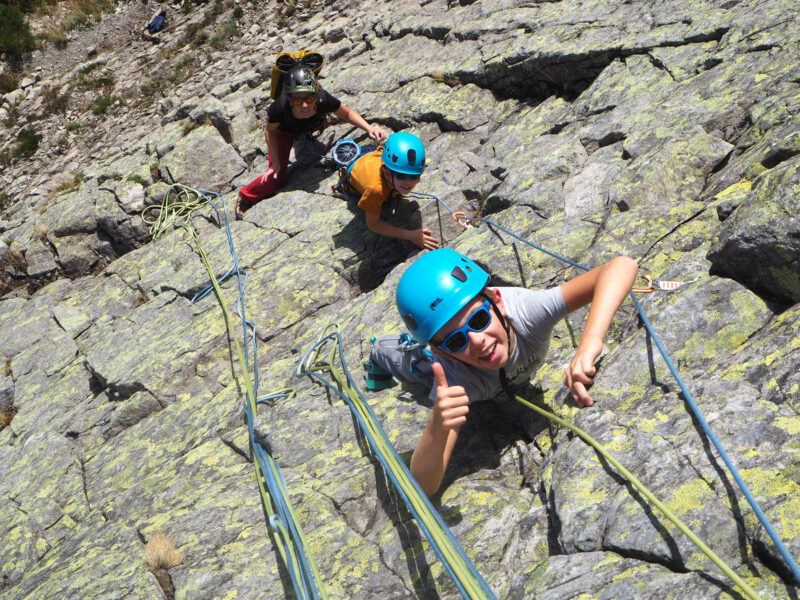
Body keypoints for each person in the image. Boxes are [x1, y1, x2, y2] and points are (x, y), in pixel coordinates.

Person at [369, 248, 638, 495]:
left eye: (478, 320)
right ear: (443, 351)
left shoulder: (527, 314)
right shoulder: (453, 376)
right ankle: (379, 351)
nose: (477, 340)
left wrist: (590, 342)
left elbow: (622, 266)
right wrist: (438, 425)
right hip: (429, 362)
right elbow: (421, 488)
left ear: (497, 301)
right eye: (456, 340)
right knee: (407, 363)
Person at [236, 65, 387, 215]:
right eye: (297, 101)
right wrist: (274, 162)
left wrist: (369, 129)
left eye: (309, 98)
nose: (305, 105)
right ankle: (245, 197)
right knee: (275, 177)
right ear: (289, 99)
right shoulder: (279, 108)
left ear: (316, 94)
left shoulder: (323, 99)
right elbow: (270, 130)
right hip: (285, 132)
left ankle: (310, 130)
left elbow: (346, 113)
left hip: (312, 125)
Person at [341, 132, 439, 250]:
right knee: (385, 211)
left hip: (372, 156)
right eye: (402, 176)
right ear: (387, 173)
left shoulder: (406, 171)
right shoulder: (375, 190)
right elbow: (373, 224)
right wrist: (411, 235)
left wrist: (401, 178)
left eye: (413, 177)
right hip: (354, 174)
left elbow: (406, 174)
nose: (408, 182)